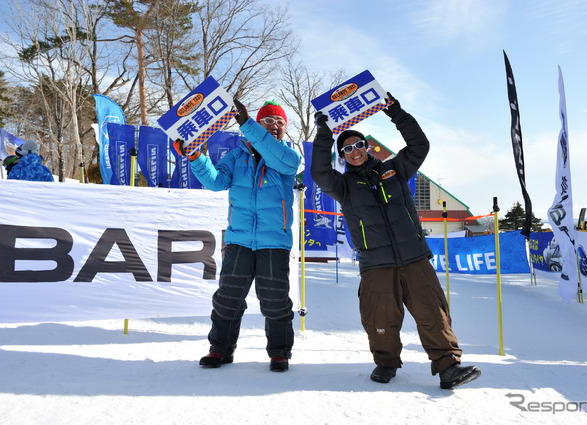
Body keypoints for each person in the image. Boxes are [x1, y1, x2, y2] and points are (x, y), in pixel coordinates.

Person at [310, 93, 481, 389]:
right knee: (380, 316)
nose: (355, 151)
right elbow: (319, 173)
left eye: (359, 145)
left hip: (413, 256)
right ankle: (386, 362)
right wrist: (325, 134)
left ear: (367, 147)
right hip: (376, 262)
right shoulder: (344, 186)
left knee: (432, 311)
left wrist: (395, 112)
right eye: (347, 148)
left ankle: (448, 366)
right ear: (343, 155)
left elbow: (419, 145)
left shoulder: (394, 170)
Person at [173, 99, 301, 372]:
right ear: (259, 123)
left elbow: (281, 160)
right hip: (239, 239)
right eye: (269, 121)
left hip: (273, 242)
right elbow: (216, 182)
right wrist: (196, 157)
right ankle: (220, 350)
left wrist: (247, 123)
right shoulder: (236, 156)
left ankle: (279, 352)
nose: (275, 126)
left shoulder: (288, 156)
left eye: (280, 123)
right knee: (227, 298)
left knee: (275, 300)